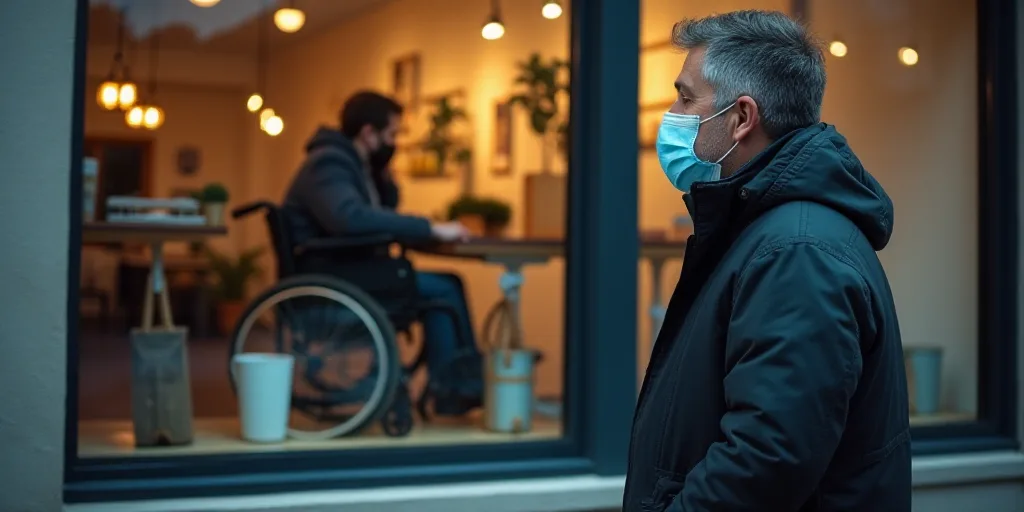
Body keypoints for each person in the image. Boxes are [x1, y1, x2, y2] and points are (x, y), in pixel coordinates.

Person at [623, 10, 910, 512]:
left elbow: (767, 457)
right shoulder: (766, 231)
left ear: (741, 118)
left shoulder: (797, 252)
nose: (673, 112)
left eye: (687, 97)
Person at [282, 91, 482, 415]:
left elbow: (381, 210)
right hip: (334, 275)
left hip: (347, 268)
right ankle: (454, 388)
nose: (395, 143)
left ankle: (455, 387)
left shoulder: (353, 165)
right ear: (368, 133)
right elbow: (350, 219)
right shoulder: (329, 163)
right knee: (445, 288)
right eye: (391, 135)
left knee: (445, 286)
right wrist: (429, 227)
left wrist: (384, 176)